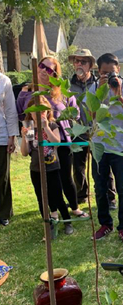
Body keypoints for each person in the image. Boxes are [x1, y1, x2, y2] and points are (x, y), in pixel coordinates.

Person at [17, 56, 88, 219]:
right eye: (42, 66)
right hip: (40, 144)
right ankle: (54, 211)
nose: (44, 70)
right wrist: (26, 133)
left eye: (50, 69)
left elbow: (75, 113)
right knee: (47, 179)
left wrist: (64, 117)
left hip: (60, 140)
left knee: (65, 175)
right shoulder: (27, 91)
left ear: (55, 74)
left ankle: (74, 207)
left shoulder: (61, 91)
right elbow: (21, 113)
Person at [90, 53, 123, 243]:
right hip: (99, 146)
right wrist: (100, 93)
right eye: (104, 72)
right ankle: (105, 224)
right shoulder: (94, 88)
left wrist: (119, 97)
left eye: (111, 72)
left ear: (118, 70)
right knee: (100, 188)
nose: (109, 76)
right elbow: (92, 115)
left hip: (120, 146)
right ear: (98, 72)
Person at [69, 49, 117, 209]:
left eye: (83, 61)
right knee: (78, 166)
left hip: (97, 130)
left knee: (101, 165)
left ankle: (110, 197)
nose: (79, 64)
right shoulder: (69, 86)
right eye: (77, 61)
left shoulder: (99, 83)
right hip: (78, 131)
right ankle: (81, 195)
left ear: (90, 65)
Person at [20, 96, 73, 235]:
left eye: (43, 111)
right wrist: (25, 138)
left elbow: (56, 142)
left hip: (52, 167)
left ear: (48, 111)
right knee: (42, 198)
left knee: (57, 196)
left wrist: (46, 128)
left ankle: (67, 221)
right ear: (30, 112)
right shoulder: (30, 127)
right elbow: (25, 152)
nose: (39, 114)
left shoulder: (52, 125)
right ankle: (48, 224)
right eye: (36, 111)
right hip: (36, 168)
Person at [0, 72, 18, 226]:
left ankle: (4, 212)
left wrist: (12, 136)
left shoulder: (4, 80)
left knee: (2, 176)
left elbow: (10, 110)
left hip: (1, 136)